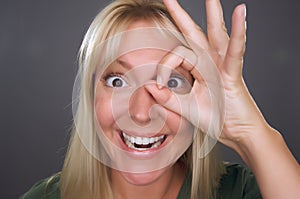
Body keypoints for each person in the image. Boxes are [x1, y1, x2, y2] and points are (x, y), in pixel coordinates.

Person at [20, 0, 300, 198]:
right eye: (118, 81)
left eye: (171, 81)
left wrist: (250, 133)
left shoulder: (241, 191)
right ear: (91, 96)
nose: (142, 113)